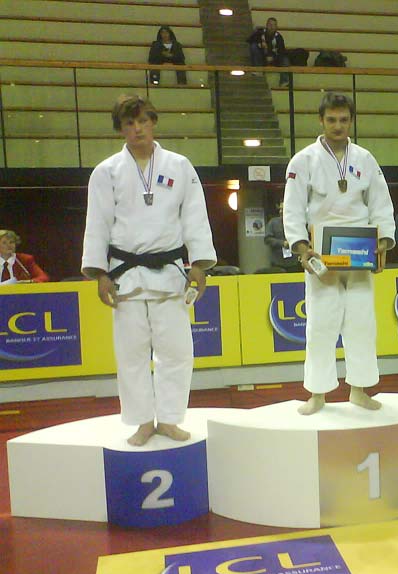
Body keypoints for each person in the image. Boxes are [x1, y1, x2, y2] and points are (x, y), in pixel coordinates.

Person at [81, 94, 217, 446]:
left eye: (142, 121)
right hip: (124, 274)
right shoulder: (106, 172)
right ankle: (143, 422)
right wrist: (99, 273)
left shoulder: (180, 166)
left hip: (170, 272)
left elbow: (195, 217)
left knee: (177, 352)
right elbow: (97, 224)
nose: (137, 129)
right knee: (132, 355)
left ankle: (169, 420)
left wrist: (199, 264)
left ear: (153, 122)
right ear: (120, 129)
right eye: (129, 123)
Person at [283, 92, 395, 416]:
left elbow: (381, 203)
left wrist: (383, 242)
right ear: (321, 121)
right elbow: (292, 209)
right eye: (331, 119)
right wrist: (301, 247)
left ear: (351, 121)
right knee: (321, 324)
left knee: (362, 323)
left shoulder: (365, 159)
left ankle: (359, 390)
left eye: (343, 120)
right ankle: (317, 394)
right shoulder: (303, 160)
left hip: (360, 250)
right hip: (322, 251)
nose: (337, 126)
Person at [247, 18, 290, 86]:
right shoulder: (260, 33)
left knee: (285, 59)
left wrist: (273, 58)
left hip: (274, 60)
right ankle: (258, 70)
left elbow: (282, 52)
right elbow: (249, 40)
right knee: (253, 46)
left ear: (276, 27)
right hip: (262, 58)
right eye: (270, 25)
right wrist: (260, 44)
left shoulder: (278, 37)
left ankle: (284, 81)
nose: (272, 27)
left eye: (274, 25)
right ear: (266, 25)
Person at [264, 202, 302, 272]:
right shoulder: (273, 223)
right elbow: (267, 239)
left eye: (283, 209)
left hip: (294, 262)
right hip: (277, 262)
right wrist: (282, 243)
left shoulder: (296, 223)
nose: (280, 211)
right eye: (280, 209)